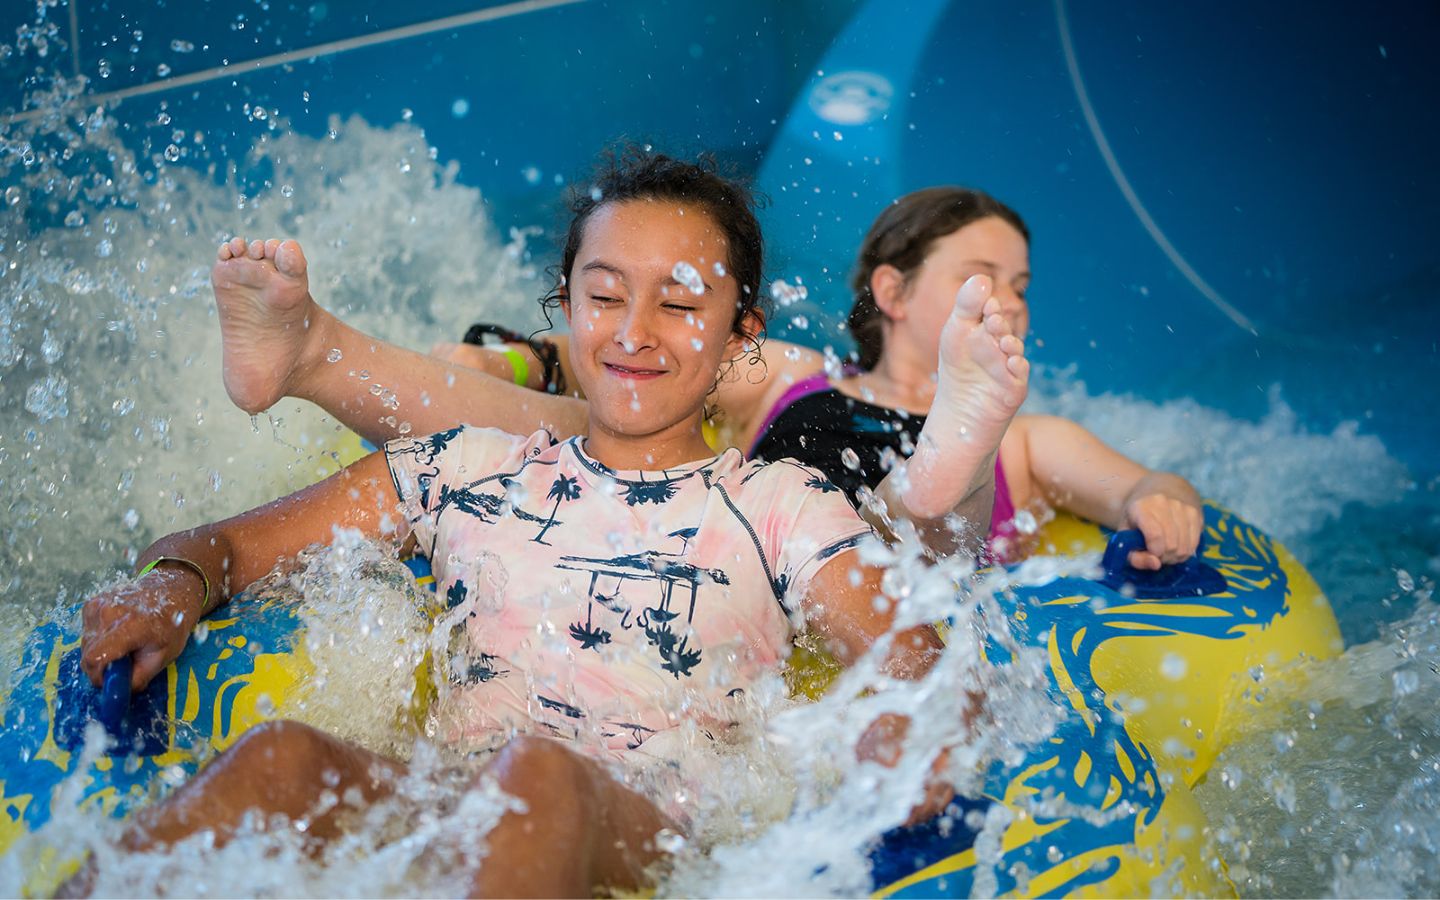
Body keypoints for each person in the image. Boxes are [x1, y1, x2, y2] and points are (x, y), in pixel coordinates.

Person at [77, 152, 1027, 897]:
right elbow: (229, 545)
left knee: (536, 778)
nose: (633, 332)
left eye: (682, 303)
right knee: (281, 755)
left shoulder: (778, 506)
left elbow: (914, 652)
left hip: (651, 824)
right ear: (565, 310)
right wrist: (173, 586)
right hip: (451, 790)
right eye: (604, 296)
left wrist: (905, 738)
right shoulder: (465, 467)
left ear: (744, 331)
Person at [433, 188, 1202, 568]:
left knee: (917, 521)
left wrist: (1164, 504)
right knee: (607, 428)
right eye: (981, 277)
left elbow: (1141, 486)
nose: (1007, 300)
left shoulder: (1028, 438)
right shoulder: (798, 375)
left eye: (1021, 286)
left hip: (885, 569)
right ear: (893, 293)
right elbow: (637, 358)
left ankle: (935, 478)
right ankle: (331, 360)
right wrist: (517, 359)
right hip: (737, 545)